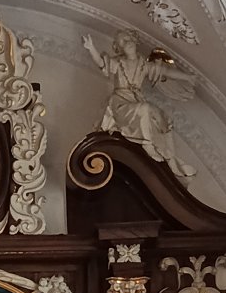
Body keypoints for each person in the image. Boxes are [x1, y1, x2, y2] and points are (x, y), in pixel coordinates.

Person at [82, 29, 196, 181]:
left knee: (161, 118)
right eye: (123, 42)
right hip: (120, 101)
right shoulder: (118, 63)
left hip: (136, 99)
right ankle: (147, 144)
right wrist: (91, 48)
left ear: (135, 41)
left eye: (128, 39)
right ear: (119, 48)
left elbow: (165, 72)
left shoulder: (144, 65)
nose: (127, 42)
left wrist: (188, 77)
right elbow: (102, 63)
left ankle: (169, 157)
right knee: (144, 109)